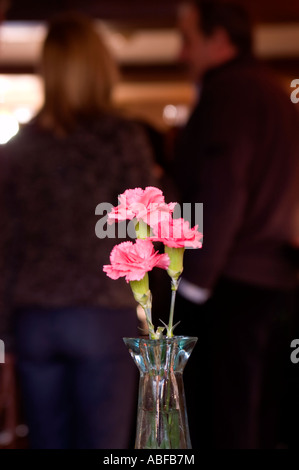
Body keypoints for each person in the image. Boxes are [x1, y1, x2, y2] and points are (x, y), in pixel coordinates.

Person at [0, 13, 156, 449]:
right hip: (102, 315)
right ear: (101, 66)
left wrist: (5, 333)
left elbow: (4, 247)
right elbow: (144, 229)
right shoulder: (124, 140)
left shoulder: (18, 149)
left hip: (35, 319)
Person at [173, 0, 299, 449]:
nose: (180, 54)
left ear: (219, 39)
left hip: (232, 286)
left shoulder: (231, 92)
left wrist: (191, 286)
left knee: (223, 420)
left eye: (188, 40)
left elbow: (222, 189)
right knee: (257, 418)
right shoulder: (274, 92)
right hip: (275, 283)